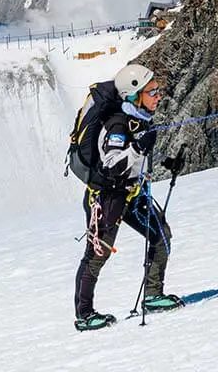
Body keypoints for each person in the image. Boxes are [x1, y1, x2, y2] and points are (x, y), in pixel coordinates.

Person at [73, 63, 184, 330]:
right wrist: (137, 148)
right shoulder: (118, 125)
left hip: (130, 194)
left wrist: (165, 161)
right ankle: (84, 315)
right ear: (134, 96)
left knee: (161, 236)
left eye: (158, 90)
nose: (159, 96)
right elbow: (111, 164)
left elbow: (136, 156)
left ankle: (153, 295)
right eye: (153, 91)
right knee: (97, 255)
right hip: (106, 199)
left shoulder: (138, 120)